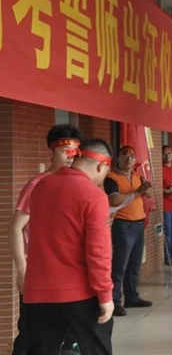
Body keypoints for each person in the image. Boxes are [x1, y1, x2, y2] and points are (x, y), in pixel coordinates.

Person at [22, 138, 114, 355]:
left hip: (38, 290)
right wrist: (105, 295)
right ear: (101, 166)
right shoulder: (94, 195)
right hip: (80, 292)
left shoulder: (41, 186)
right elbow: (98, 252)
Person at [7, 124, 83, 355]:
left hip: (65, 271)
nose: (70, 157)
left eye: (74, 151)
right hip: (37, 272)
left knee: (67, 334)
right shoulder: (37, 185)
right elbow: (15, 227)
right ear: (51, 151)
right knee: (31, 334)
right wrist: (22, 268)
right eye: (64, 151)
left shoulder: (77, 184)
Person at [104, 146, 153, 316]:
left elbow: (147, 195)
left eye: (132, 156)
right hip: (123, 225)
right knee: (120, 265)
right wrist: (138, 192)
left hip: (138, 224)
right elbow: (114, 200)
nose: (129, 158)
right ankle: (115, 301)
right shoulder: (111, 178)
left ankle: (132, 297)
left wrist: (145, 189)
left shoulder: (137, 175)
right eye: (124, 155)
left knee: (134, 265)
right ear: (118, 159)